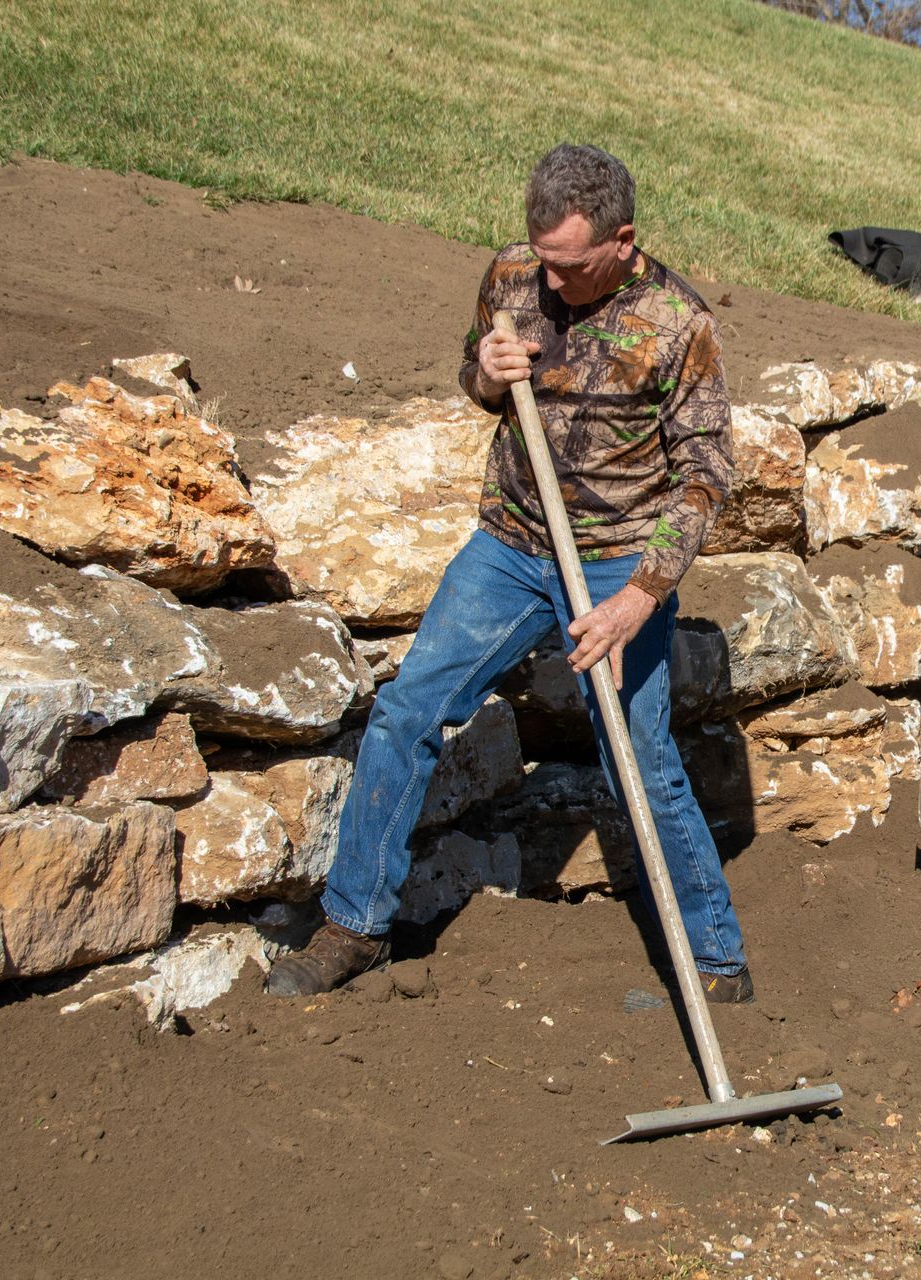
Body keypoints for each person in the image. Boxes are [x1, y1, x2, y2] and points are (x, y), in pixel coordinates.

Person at [267, 144, 753, 1003]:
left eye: (571, 266)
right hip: (509, 546)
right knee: (407, 708)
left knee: (637, 755)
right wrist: (484, 380)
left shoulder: (680, 326)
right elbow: (473, 371)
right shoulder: (514, 273)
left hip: (617, 568)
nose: (551, 280)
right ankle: (353, 927)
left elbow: (707, 476)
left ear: (623, 238)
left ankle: (715, 961)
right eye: (543, 259)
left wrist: (642, 596)